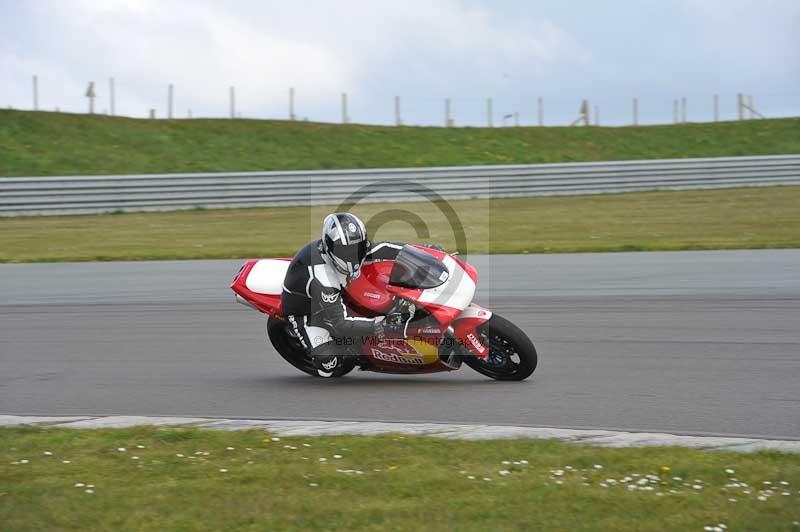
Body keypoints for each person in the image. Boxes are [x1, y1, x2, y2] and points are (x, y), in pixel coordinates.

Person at [280, 213, 411, 377]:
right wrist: (381, 325)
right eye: (346, 251)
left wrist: (426, 250)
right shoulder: (324, 278)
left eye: (358, 247)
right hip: (306, 310)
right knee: (328, 367)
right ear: (330, 248)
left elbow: (386, 248)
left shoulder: (356, 250)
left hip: (337, 290)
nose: (353, 255)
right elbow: (340, 323)